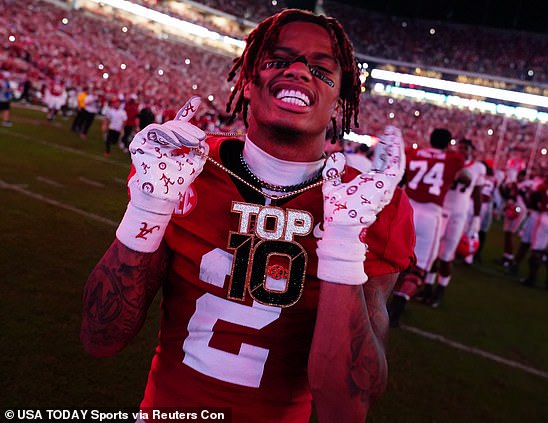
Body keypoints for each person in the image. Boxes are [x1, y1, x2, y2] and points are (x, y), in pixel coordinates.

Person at [81, 9, 415, 423]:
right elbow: (101, 337)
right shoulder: (186, 166)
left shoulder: (373, 207)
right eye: (279, 59)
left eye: (320, 67)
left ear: (341, 98)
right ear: (248, 78)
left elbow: (344, 408)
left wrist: (345, 243)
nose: (297, 70)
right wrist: (148, 208)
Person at [387, 128, 468, 325]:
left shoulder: (413, 153)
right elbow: (465, 177)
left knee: (396, 259)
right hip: (430, 214)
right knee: (420, 266)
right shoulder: (454, 159)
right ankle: (396, 309)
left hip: (407, 209)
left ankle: (384, 301)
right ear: (448, 143)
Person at [424, 138, 486, 307]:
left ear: (472, 150)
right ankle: (428, 286)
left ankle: (440, 289)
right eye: (459, 147)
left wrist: (477, 218)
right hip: (441, 210)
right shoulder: (448, 161)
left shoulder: (478, 167)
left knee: (447, 255)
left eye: (465, 148)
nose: (461, 150)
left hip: (459, 214)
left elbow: (477, 194)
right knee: (433, 252)